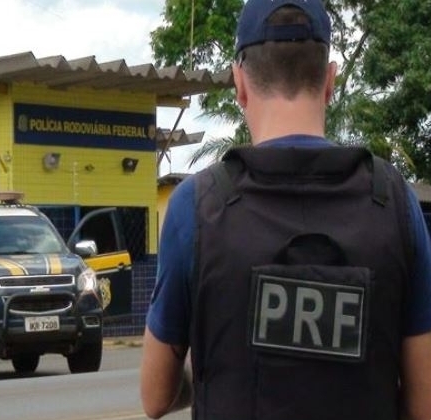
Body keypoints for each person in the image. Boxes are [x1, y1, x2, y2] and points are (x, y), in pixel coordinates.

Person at [140, 1, 431, 419]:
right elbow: (424, 404)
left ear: (239, 82)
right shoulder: (395, 203)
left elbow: (155, 396)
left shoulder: (196, 207)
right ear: (330, 80)